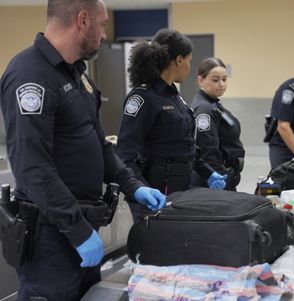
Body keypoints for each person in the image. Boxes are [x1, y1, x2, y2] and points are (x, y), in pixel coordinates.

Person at [0, 1, 166, 300]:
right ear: (83, 19)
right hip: (52, 238)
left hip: (81, 227)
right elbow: (32, 167)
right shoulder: (31, 74)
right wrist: (78, 231)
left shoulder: (79, 76)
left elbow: (99, 145)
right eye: (102, 24)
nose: (104, 34)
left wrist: (133, 186)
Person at [116, 29, 227, 221]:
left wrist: (208, 173)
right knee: (155, 248)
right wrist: (139, 188)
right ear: (178, 60)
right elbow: (125, 154)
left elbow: (184, 146)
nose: (190, 66)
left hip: (181, 191)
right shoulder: (143, 98)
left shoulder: (175, 97)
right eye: (189, 60)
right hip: (154, 196)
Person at [191, 58, 245, 191]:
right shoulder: (204, 108)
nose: (222, 84)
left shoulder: (214, 104)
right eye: (215, 80)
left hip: (227, 176)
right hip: (217, 181)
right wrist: (218, 178)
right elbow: (207, 151)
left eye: (224, 79)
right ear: (201, 81)